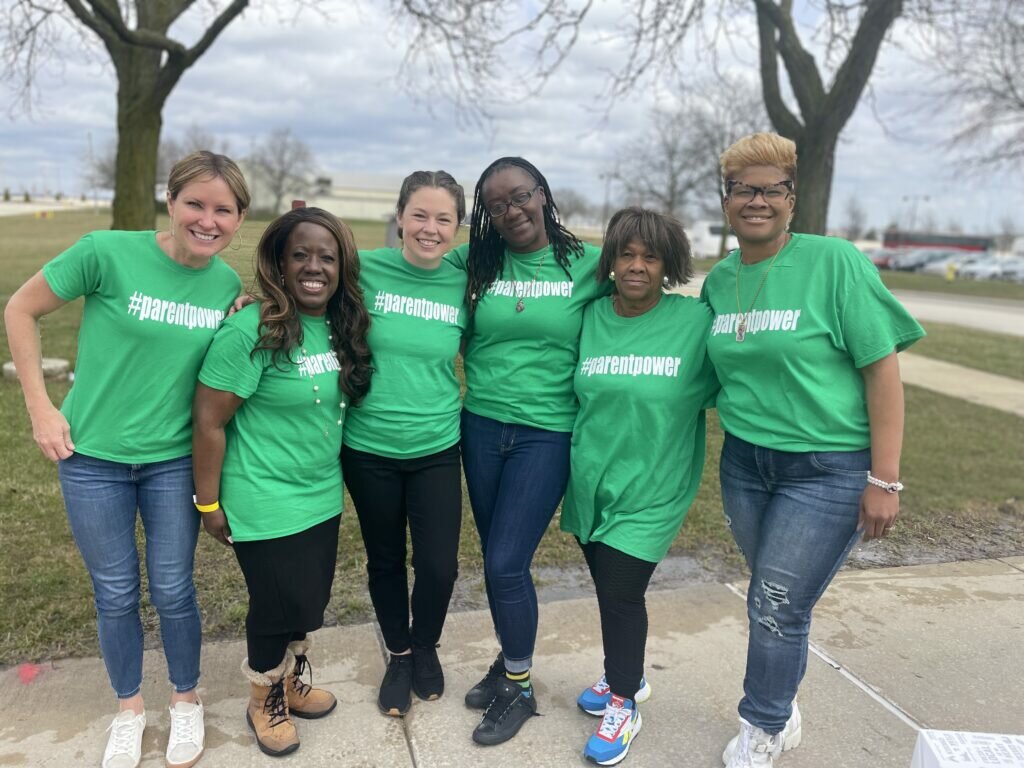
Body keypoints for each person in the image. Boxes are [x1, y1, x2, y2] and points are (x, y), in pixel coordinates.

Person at [4, 151, 249, 768]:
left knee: (172, 588)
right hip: (91, 458)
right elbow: (20, 309)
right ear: (171, 202)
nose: (208, 220)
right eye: (196, 203)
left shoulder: (224, 286)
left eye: (224, 210)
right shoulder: (105, 252)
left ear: (239, 219)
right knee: (114, 592)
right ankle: (129, 710)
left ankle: (186, 700)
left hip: (171, 461)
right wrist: (41, 409)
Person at [699, 133, 925, 768]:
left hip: (826, 469)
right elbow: (712, 371)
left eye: (773, 188)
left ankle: (766, 723)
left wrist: (886, 479)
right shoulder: (719, 280)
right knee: (774, 599)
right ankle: (783, 697)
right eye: (745, 189)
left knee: (774, 603)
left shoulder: (835, 263)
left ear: (792, 199)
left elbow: (882, 370)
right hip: (745, 464)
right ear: (726, 200)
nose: (758, 200)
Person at [191, 207, 372, 758]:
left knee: (307, 603)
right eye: (300, 255)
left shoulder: (338, 324)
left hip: (320, 494)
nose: (314, 267)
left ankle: (291, 680)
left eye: (327, 256)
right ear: (279, 261)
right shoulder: (253, 327)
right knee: (274, 607)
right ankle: (263, 696)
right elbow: (209, 419)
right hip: (262, 496)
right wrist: (208, 503)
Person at [446, 157, 607, 746]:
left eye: (521, 196)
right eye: (496, 204)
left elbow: (649, 297)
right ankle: (512, 659)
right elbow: (404, 277)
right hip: (482, 427)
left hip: (547, 433)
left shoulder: (588, 264)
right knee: (498, 559)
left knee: (505, 563)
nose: (511, 210)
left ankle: (518, 686)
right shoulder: (474, 264)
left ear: (543, 195)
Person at [561, 207, 718, 766]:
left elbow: (749, 372)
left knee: (622, 594)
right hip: (591, 482)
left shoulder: (695, 322)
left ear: (669, 264)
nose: (636, 265)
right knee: (610, 590)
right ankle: (618, 673)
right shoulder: (591, 317)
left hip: (654, 489)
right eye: (626, 254)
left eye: (650, 256)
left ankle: (624, 701)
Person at [341, 171, 468, 717]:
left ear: (459, 228)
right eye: (420, 215)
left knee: (439, 566)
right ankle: (399, 653)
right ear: (399, 217)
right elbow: (301, 278)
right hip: (368, 446)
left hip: (437, 445)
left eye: (444, 219)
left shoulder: (465, 281)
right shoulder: (363, 268)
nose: (430, 229)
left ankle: (426, 646)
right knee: (386, 560)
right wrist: (248, 301)